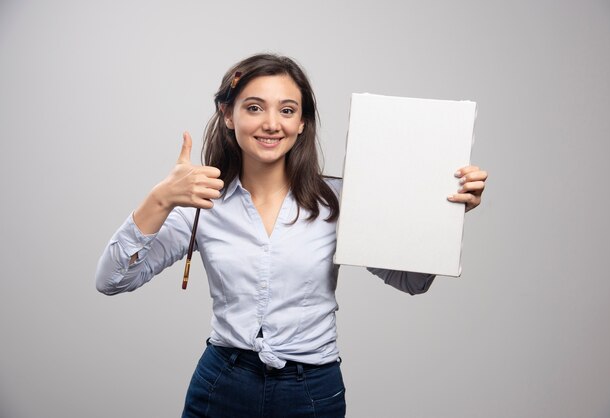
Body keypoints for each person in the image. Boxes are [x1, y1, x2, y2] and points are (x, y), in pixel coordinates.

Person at [95, 53, 488, 418]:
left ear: (302, 123)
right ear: (228, 115)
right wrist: (159, 200)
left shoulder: (339, 200)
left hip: (312, 390)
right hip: (222, 384)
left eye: (287, 110)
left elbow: (412, 281)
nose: (271, 123)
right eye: (254, 108)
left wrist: (444, 214)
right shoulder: (201, 201)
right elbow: (113, 280)